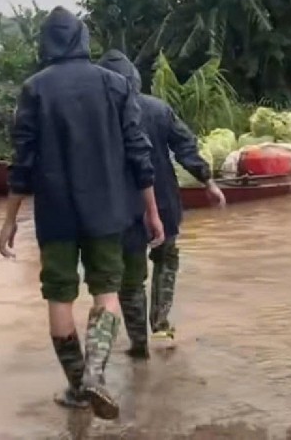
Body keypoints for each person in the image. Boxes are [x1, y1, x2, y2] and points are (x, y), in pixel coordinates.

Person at [0, 8, 163, 420]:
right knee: (106, 291)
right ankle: (95, 375)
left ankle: (76, 388)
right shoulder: (115, 85)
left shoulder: (34, 89)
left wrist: (9, 219)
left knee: (59, 295)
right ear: (83, 39)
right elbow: (139, 154)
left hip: (55, 214)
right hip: (108, 210)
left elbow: (23, 161)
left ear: (46, 42)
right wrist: (152, 212)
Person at [96, 49, 225, 359]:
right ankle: (161, 323)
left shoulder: (98, 119)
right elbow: (186, 147)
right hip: (164, 204)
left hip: (123, 210)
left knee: (131, 278)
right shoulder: (158, 109)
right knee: (166, 259)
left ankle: (139, 344)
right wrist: (208, 182)